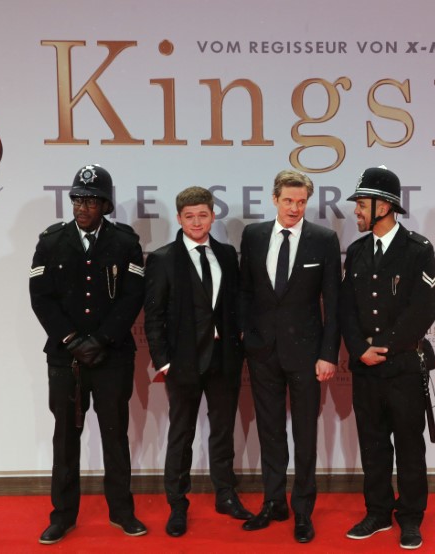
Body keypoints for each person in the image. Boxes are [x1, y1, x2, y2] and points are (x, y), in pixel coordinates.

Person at [29, 164, 147, 545]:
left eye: (92, 200)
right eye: (78, 198)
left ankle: (122, 512)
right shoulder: (50, 241)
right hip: (64, 359)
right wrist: (70, 339)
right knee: (65, 438)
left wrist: (101, 340)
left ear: (106, 205)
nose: (83, 206)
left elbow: (132, 297)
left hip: (112, 357)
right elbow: (40, 298)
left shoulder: (126, 242)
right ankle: (62, 516)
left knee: (115, 436)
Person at [339, 166, 435, 550]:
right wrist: (359, 348)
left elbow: (424, 308)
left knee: (410, 448)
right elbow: (346, 307)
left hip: (402, 368)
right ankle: (378, 512)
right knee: (373, 445)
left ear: (384, 206)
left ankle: (410, 517)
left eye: (362, 205)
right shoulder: (359, 250)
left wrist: (387, 346)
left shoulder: (418, 250)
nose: (356, 212)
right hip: (365, 368)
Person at [143, 186, 252, 537]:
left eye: (202, 214)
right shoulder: (162, 259)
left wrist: (238, 344)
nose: (196, 221)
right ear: (179, 218)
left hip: (224, 360)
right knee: (181, 435)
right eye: (189, 216)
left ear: (212, 216)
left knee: (222, 432)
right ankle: (177, 504)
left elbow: (233, 304)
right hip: (183, 363)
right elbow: (153, 316)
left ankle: (225, 495)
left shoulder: (225, 253)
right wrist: (164, 362)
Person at [238, 169, 341, 543]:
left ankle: (302, 511)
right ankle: (273, 502)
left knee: (305, 433)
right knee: (270, 432)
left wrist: (328, 354)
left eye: (301, 202)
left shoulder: (324, 240)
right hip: (262, 352)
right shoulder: (253, 235)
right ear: (274, 198)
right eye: (288, 200)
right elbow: (245, 291)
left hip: (307, 355)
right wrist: (245, 336)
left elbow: (333, 302)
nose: (295, 208)